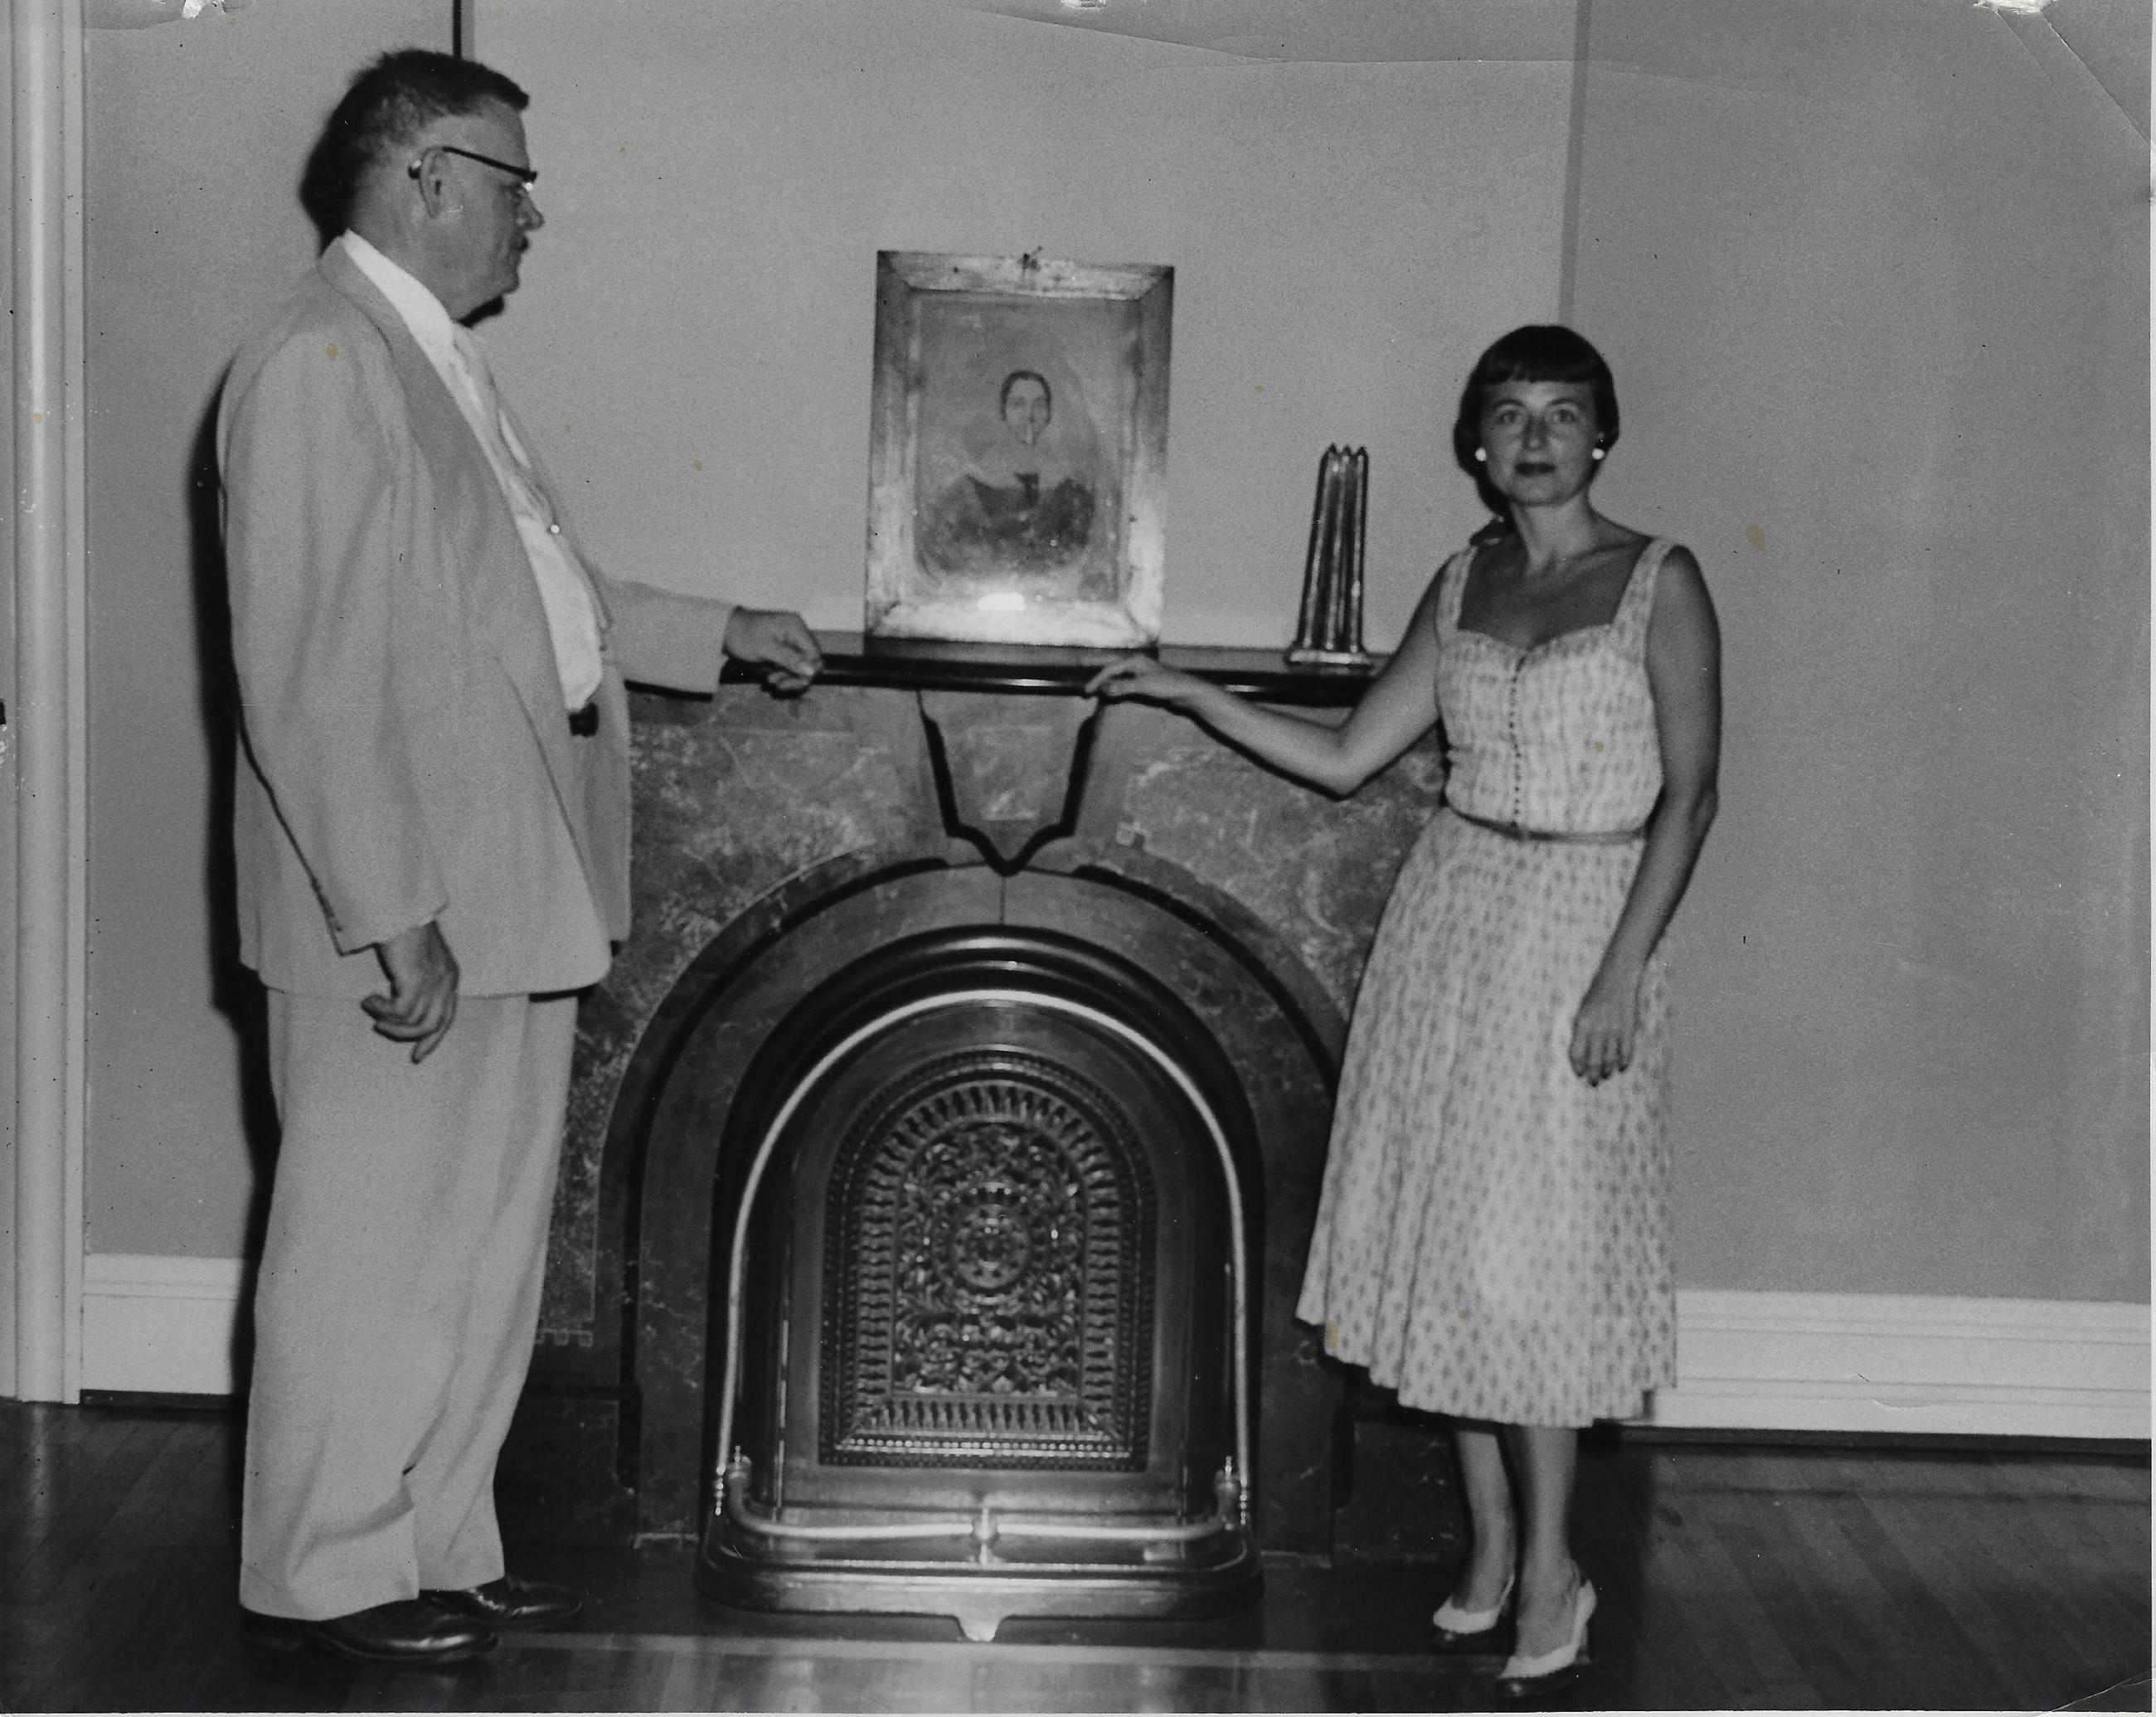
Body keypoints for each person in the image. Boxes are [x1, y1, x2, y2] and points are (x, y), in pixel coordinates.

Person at [219, 51, 821, 1666]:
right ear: (420, 175)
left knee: (476, 1242)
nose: (530, 215)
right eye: (510, 180)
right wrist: (388, 911)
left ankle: (435, 1541)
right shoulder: (319, 363)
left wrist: (717, 630)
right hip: (406, 901)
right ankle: (324, 1574)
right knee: (365, 1245)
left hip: (505, 878)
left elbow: (536, 599)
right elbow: (308, 671)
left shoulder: (427, 362)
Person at [1089, 326, 1720, 1700]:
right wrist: (1195, 691)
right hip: (1451, 922)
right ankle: (1492, 1553)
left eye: (1563, 414)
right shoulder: (1465, 579)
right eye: (1510, 415)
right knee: (1448, 1248)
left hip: (1581, 928)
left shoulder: (1659, 582)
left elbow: (1692, 795)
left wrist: (1621, 971)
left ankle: (1556, 1572)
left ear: (1601, 434)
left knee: (1528, 1270)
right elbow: (1345, 756)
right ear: (1477, 444)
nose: (1536, 437)